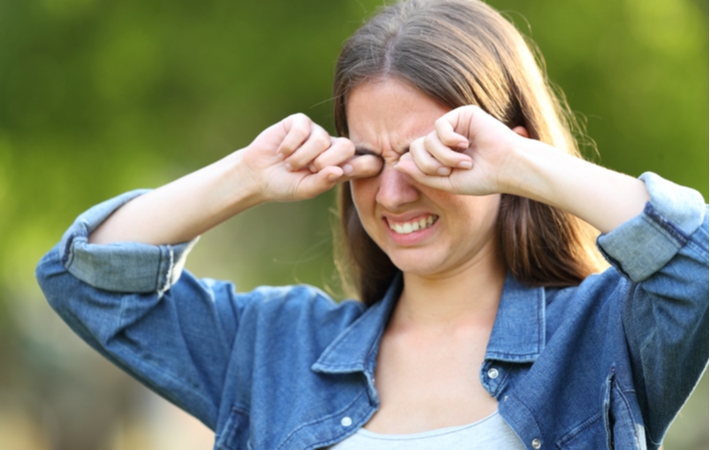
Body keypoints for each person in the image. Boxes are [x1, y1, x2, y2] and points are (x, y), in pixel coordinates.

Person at [36, 0, 708, 449]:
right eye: (368, 157)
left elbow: (697, 262)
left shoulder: (603, 333)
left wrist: (522, 164)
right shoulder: (275, 348)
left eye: (429, 156)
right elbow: (89, 280)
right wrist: (244, 175)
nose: (392, 191)